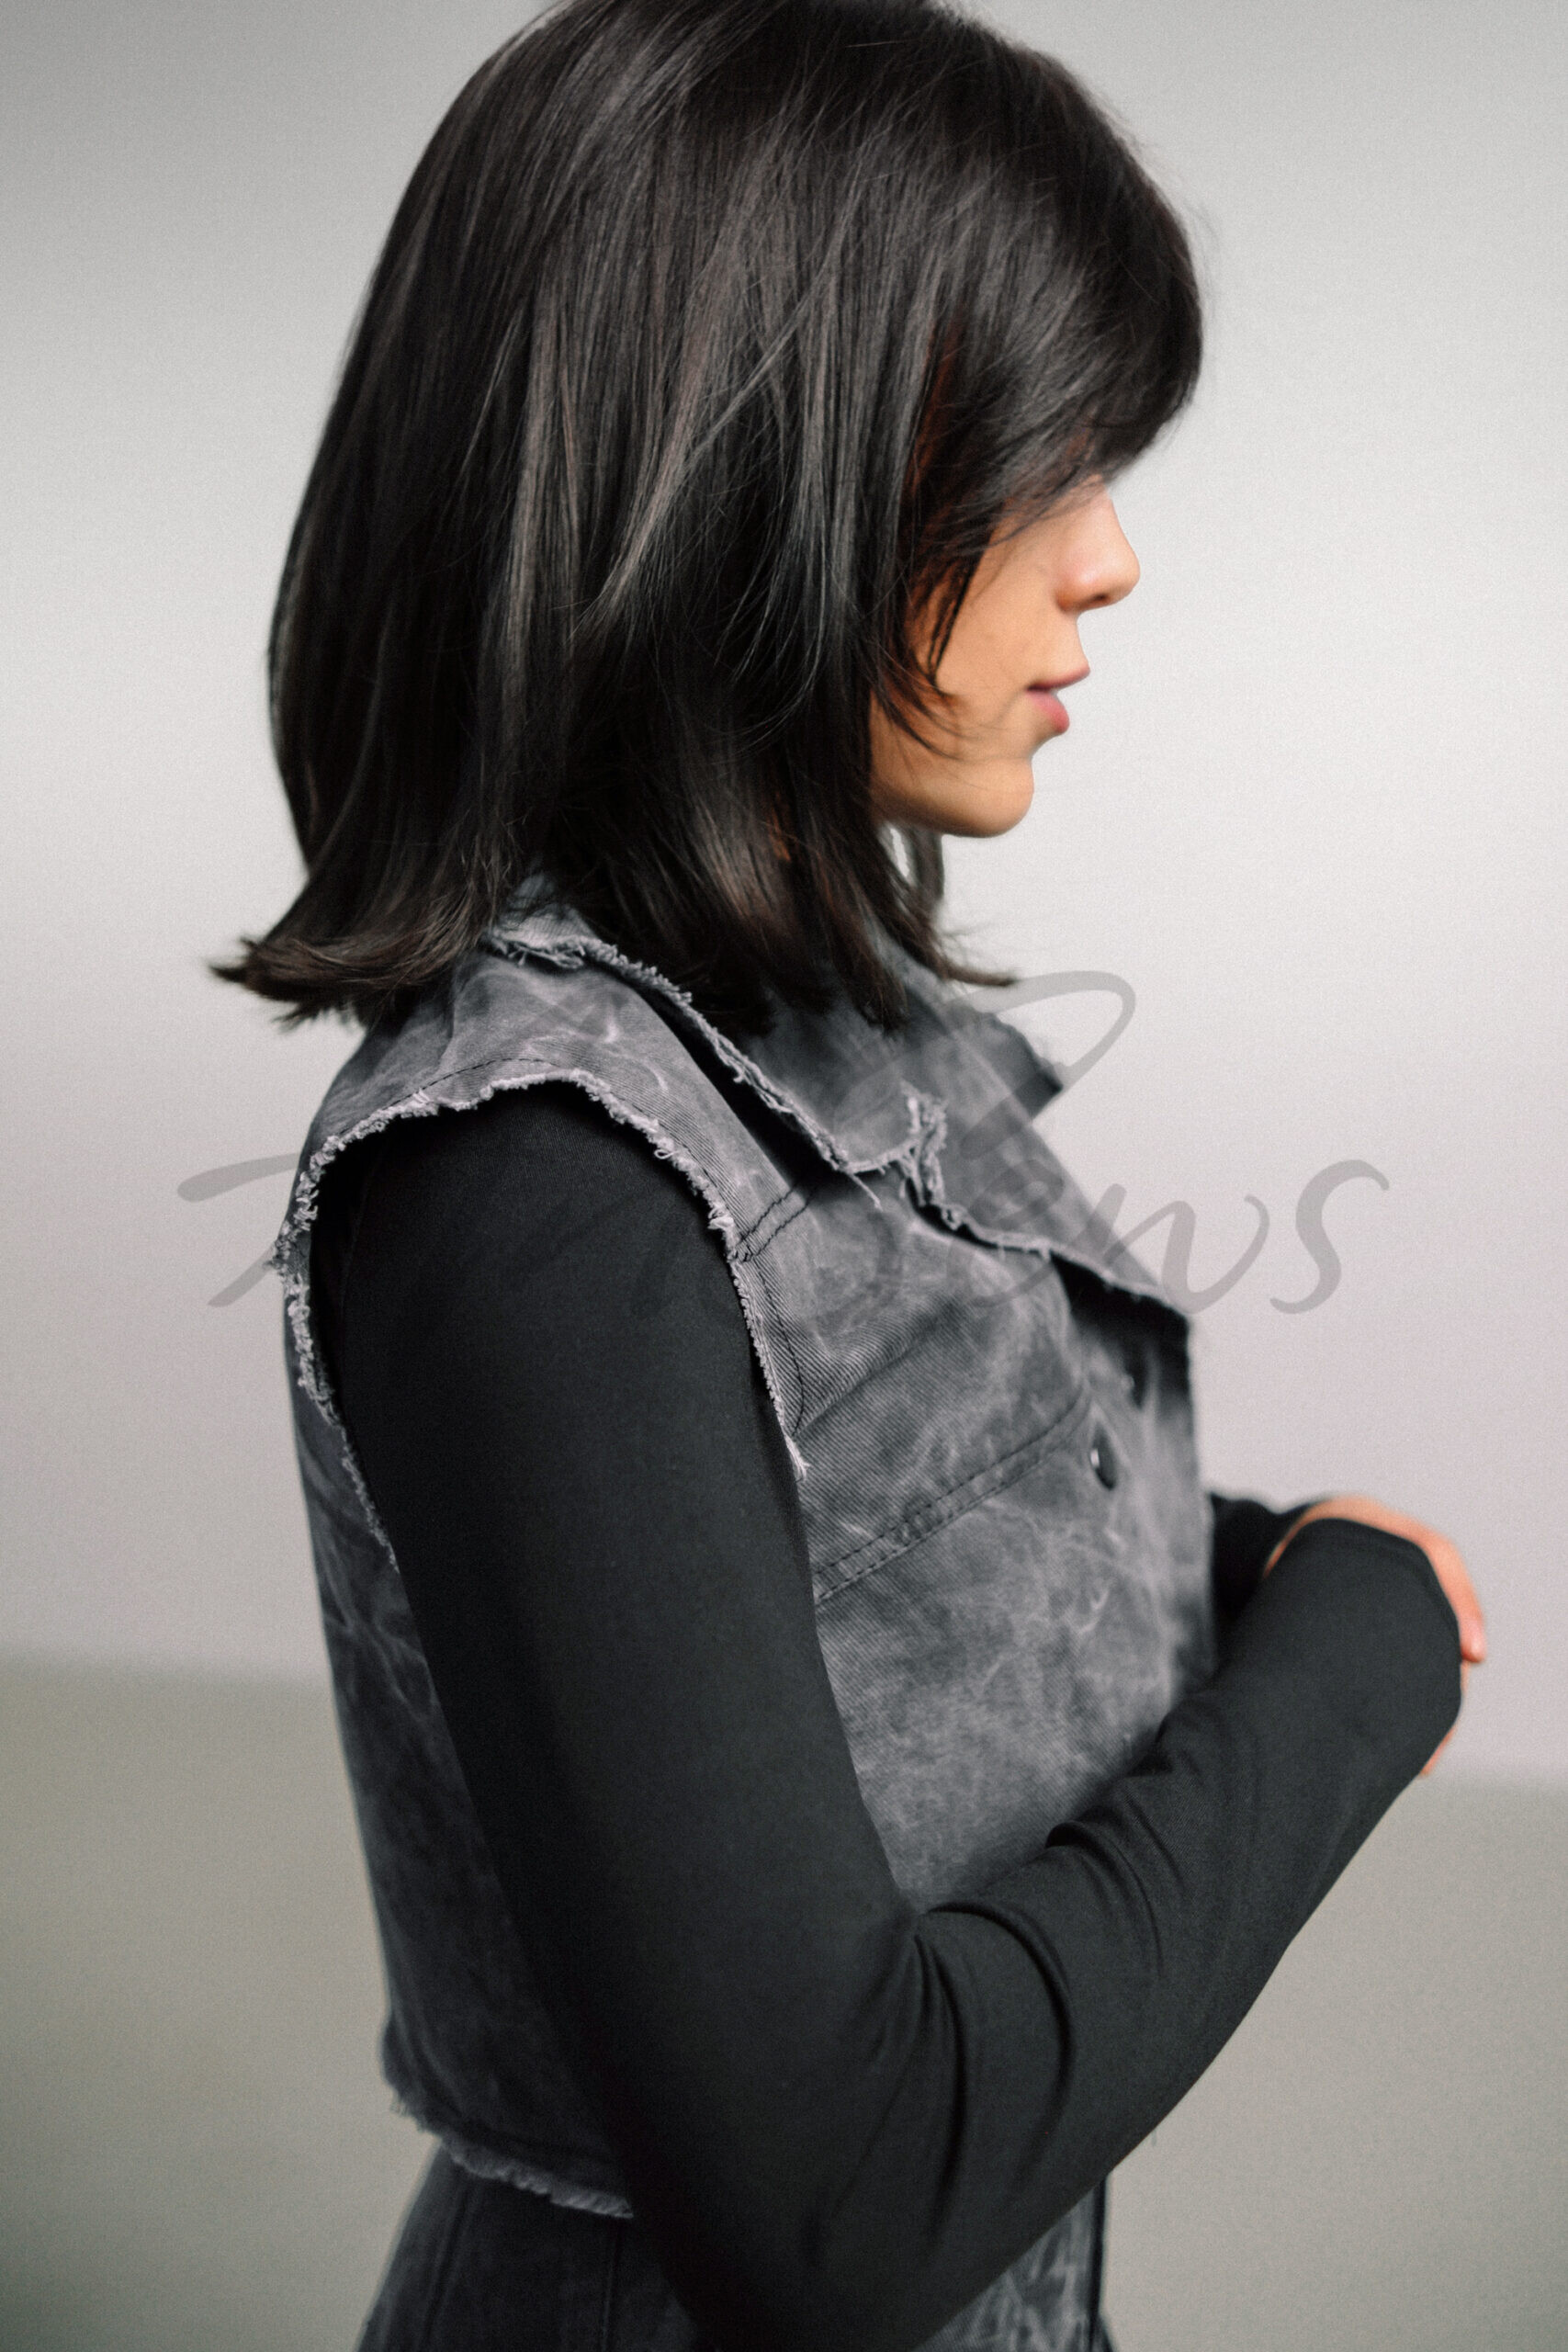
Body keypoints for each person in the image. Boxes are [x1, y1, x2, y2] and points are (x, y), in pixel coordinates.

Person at [220, 3, 1485, 2346]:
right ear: (739, 459)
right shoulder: (535, 1184)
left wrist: (1249, 1551)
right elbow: (839, 2203)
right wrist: (1349, 1662)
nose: (1107, 556)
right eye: (1041, 456)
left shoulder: (800, 1031)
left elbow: (867, 1523)